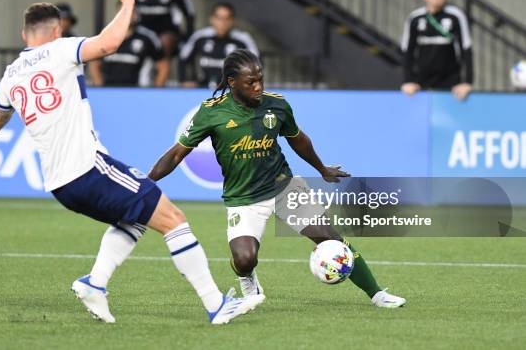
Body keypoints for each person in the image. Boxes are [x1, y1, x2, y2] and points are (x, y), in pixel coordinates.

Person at [0, 0, 264, 325]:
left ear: (25, 34)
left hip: (59, 182)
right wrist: (128, 2)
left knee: (134, 219)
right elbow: (108, 43)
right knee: (175, 220)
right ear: (56, 31)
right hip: (87, 167)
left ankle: (95, 284)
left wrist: (17, 109)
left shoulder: (11, 73)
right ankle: (216, 304)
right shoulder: (61, 48)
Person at [149, 49, 406, 309]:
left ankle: (377, 294)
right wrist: (147, 183)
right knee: (245, 258)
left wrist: (322, 169)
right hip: (244, 197)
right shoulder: (211, 112)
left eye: (261, 79)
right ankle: (247, 278)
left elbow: (299, 141)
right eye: (251, 82)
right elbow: (175, 155)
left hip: (283, 188)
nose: (258, 86)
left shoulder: (277, 105)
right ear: (232, 82)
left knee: (331, 239)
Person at [401, 0, 473, 100]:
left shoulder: (456, 16)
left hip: (451, 84)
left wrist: (467, 82)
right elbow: (407, 51)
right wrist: (408, 81)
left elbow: (466, 49)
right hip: (421, 83)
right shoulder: (415, 18)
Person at [131, 0, 195, 85]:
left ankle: (160, 82)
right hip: (141, 33)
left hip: (167, 32)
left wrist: (188, 38)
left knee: (163, 42)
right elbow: (124, 11)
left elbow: (189, 14)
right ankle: (138, 81)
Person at [179, 2, 259, 89]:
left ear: (232, 21)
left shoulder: (242, 40)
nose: (222, 23)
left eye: (226, 19)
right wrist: (186, 80)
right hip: (202, 89)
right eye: (219, 18)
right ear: (212, 19)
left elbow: (257, 63)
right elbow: (184, 58)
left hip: (233, 92)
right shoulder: (200, 37)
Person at [89, 9, 169, 87]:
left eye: (132, 10)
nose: (129, 15)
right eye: (124, 11)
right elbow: (94, 63)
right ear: (117, 13)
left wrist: (155, 93)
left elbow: (163, 67)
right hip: (109, 92)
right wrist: (99, 87)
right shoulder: (106, 35)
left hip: (138, 94)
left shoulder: (147, 38)